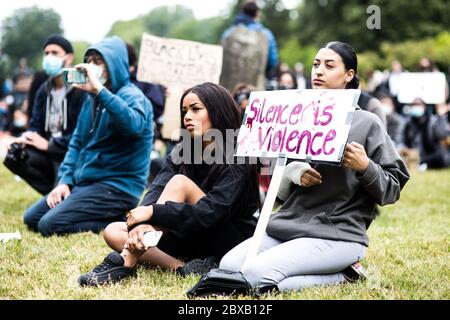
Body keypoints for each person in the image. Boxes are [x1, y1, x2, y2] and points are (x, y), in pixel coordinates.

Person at [219, 41, 410, 293]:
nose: (318, 71)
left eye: (329, 66)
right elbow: (277, 193)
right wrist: (293, 173)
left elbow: (392, 189)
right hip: (287, 225)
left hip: (337, 234)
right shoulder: (297, 116)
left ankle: (346, 274)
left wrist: (365, 166)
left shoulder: (368, 123)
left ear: (349, 75)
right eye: (316, 65)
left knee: (255, 276)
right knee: (229, 266)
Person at [78, 82, 259, 286]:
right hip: (189, 234)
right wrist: (142, 223)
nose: (187, 116)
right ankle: (183, 268)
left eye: (196, 109)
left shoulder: (240, 156)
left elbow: (212, 212)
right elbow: (157, 188)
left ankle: (126, 261)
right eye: (184, 111)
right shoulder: (183, 151)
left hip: (227, 238)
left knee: (180, 183)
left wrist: (153, 213)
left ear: (218, 111)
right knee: (113, 231)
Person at [22, 36, 153, 236]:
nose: (91, 67)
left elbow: (133, 125)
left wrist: (100, 91)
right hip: (87, 183)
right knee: (32, 218)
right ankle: (105, 213)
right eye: (89, 61)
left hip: (117, 188)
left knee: (48, 225)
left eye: (98, 62)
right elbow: (76, 144)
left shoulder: (133, 96)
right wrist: (65, 181)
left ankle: (116, 218)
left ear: (115, 64)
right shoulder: (91, 99)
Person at [3, 35, 86, 195]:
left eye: (54, 53)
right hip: (48, 149)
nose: (49, 57)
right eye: (46, 53)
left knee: (59, 162)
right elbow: (36, 125)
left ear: (69, 58)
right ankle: (51, 195)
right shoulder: (44, 90)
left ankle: (63, 194)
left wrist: (50, 145)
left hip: (70, 153)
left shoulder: (80, 90)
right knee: (15, 156)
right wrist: (26, 139)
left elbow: (81, 136)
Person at [220, 0, 279, 91]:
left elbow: (220, 57)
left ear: (242, 12)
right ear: (257, 13)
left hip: (229, 88)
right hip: (256, 86)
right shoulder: (266, 34)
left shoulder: (228, 33)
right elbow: (272, 61)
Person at [400, 98, 450, 169]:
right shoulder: (408, 124)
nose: (416, 107)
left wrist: (441, 116)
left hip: (431, 155)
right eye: (414, 105)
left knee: (441, 156)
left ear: (424, 107)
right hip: (415, 154)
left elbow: (441, 135)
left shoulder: (433, 122)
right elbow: (403, 141)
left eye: (418, 105)